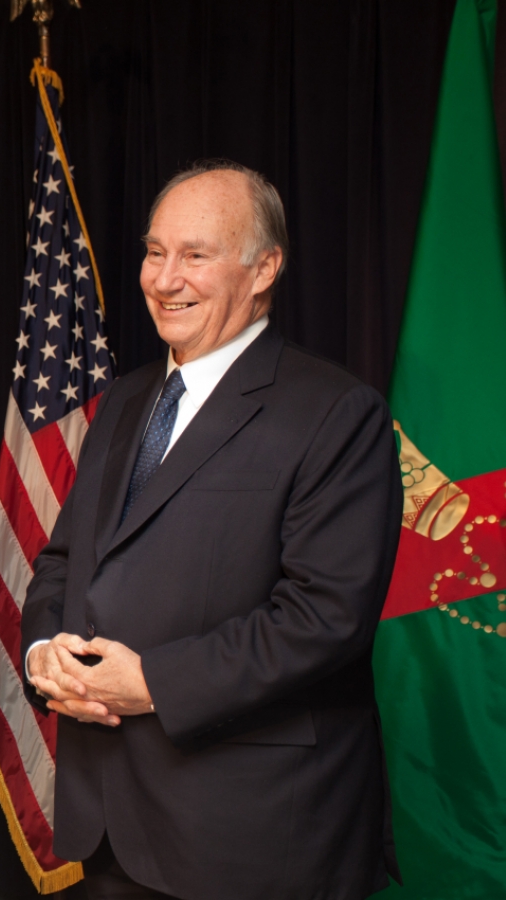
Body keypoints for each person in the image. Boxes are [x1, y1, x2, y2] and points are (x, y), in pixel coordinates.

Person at [21, 161, 403, 900]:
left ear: (265, 268)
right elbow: (68, 560)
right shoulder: (127, 400)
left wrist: (154, 683)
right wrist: (43, 653)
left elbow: (327, 618)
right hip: (110, 820)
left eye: (195, 255)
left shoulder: (336, 413)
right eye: (154, 252)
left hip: (254, 833)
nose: (165, 279)